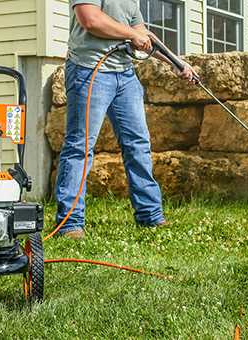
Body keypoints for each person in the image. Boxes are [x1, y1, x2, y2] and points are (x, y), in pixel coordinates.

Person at [55, 0, 197, 239]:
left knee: (138, 145)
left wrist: (176, 64)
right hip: (89, 71)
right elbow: (90, 19)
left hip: (125, 75)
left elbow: (143, 36)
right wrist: (132, 34)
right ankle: (69, 223)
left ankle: (150, 216)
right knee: (80, 147)